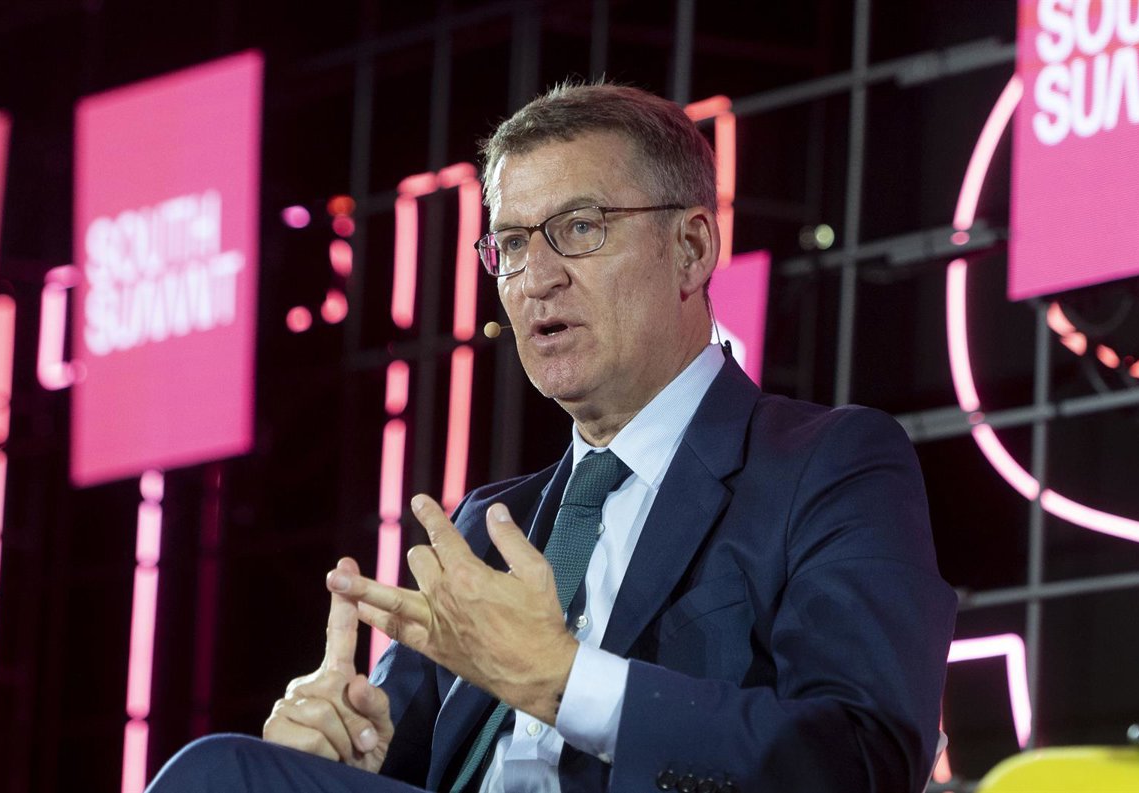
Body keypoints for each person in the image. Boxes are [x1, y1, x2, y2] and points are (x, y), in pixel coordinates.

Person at [147, 82, 957, 793]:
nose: (536, 277)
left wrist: (566, 680)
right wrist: (344, 749)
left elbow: (863, 758)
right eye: (510, 244)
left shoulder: (827, 465)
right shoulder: (487, 527)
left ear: (692, 249)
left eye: (579, 227)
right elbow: (402, 761)